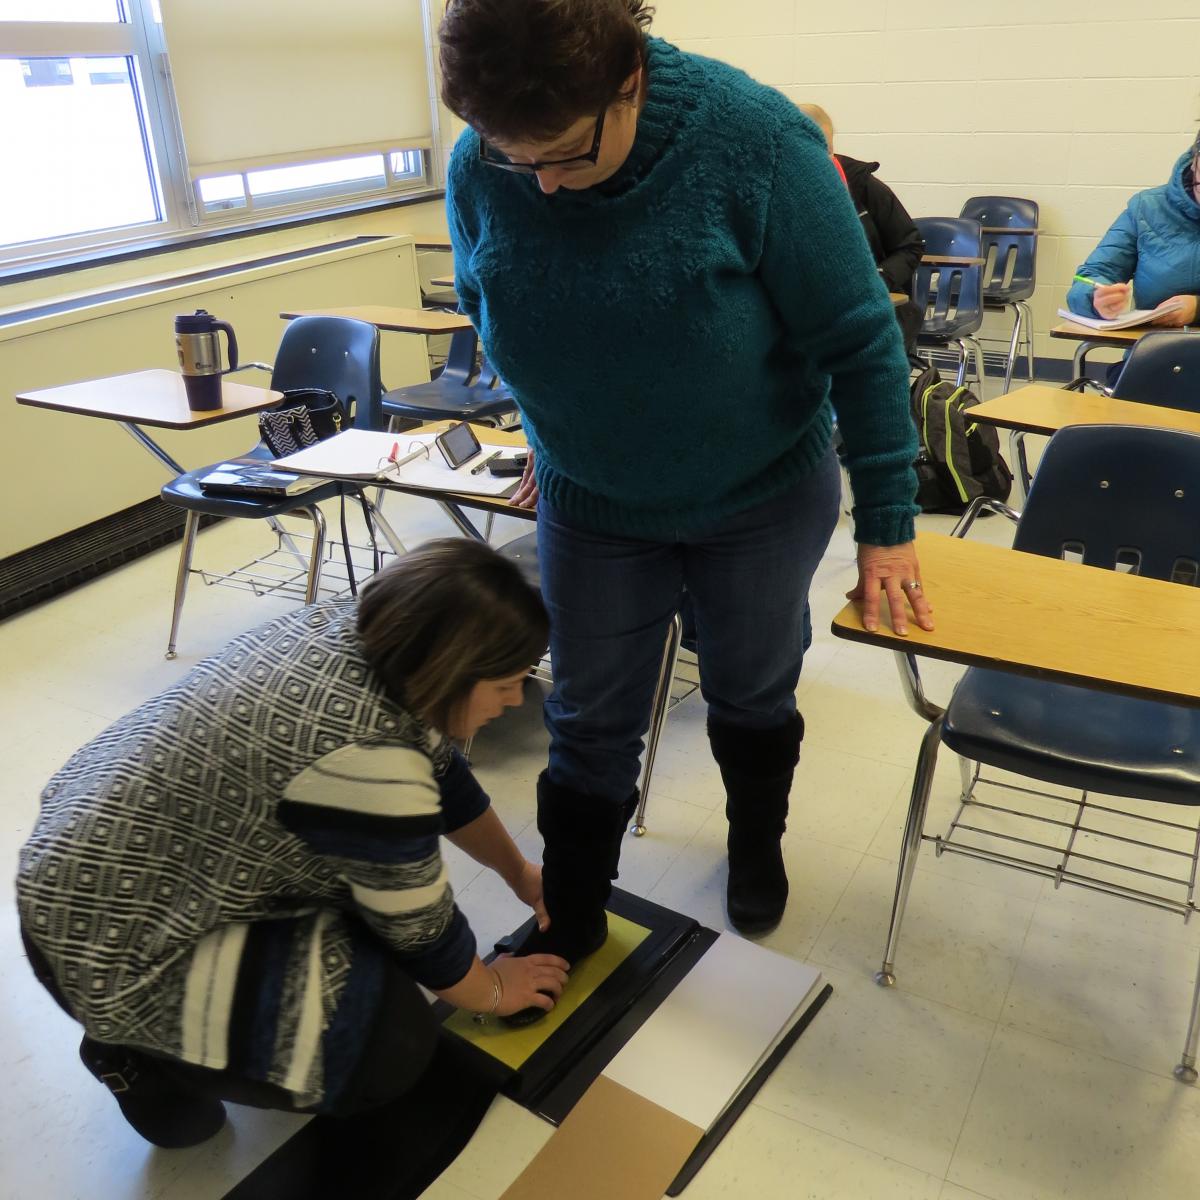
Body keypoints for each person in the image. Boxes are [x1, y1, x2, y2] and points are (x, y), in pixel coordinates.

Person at [439, 0, 934, 991]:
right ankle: (573, 909)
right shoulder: (485, 163)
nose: (540, 182)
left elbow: (862, 343)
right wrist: (552, 430)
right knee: (587, 717)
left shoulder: (752, 141)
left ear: (628, 82)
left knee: (750, 686)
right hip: (592, 501)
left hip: (757, 494)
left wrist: (887, 523)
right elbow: (486, 304)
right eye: (509, 155)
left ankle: (755, 846)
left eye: (567, 156)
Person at [15, 540, 569, 1147]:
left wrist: (519, 872)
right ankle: (136, 1054)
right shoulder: (371, 761)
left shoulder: (361, 630)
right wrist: (494, 990)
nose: (518, 701)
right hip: (105, 943)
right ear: (453, 674)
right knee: (386, 1046)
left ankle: (169, 1023)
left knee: (364, 932)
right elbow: (425, 935)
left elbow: (448, 783)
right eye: (510, 684)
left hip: (103, 857)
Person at [798, 103, 925, 353]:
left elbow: (910, 246)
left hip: (877, 306)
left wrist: (877, 278)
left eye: (827, 149)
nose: (820, 159)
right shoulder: (773, 191)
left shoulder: (862, 184)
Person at [1066, 131, 1200, 333]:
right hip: (1158, 354)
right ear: (1194, 161)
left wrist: (1197, 309)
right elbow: (1094, 274)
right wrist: (1096, 297)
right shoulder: (1147, 208)